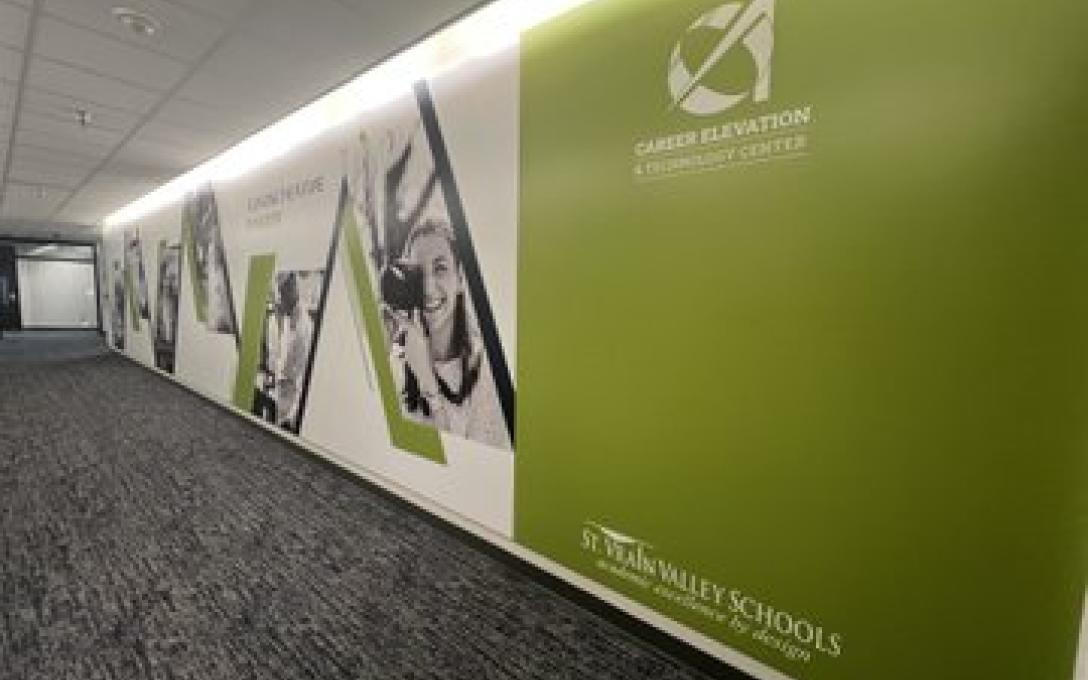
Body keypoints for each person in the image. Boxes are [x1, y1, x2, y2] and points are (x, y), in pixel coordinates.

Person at [390, 220, 509, 450]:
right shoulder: (395, 362)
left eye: (440, 268)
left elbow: (464, 473)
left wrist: (428, 384)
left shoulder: (488, 372)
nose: (427, 287)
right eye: (418, 272)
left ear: (460, 279)